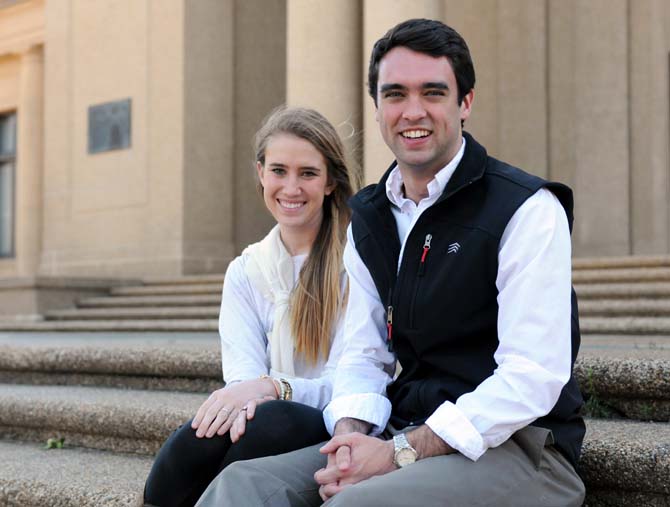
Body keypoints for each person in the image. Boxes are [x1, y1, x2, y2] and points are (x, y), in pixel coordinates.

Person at [195, 18, 586, 507]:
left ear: (465, 102)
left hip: (521, 448)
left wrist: (398, 452)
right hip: (406, 431)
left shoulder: (525, 209)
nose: (412, 111)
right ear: (377, 107)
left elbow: (532, 377)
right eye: (396, 94)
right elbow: (364, 355)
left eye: (433, 92)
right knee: (243, 486)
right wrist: (349, 440)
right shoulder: (371, 217)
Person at [143, 106, 356, 507]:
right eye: (279, 170)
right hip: (261, 415)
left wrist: (274, 387)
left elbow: (347, 384)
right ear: (260, 173)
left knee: (269, 421)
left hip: (332, 419)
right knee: (195, 439)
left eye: (307, 173)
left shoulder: (354, 263)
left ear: (329, 182)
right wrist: (253, 392)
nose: (291, 188)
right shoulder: (245, 270)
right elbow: (242, 377)